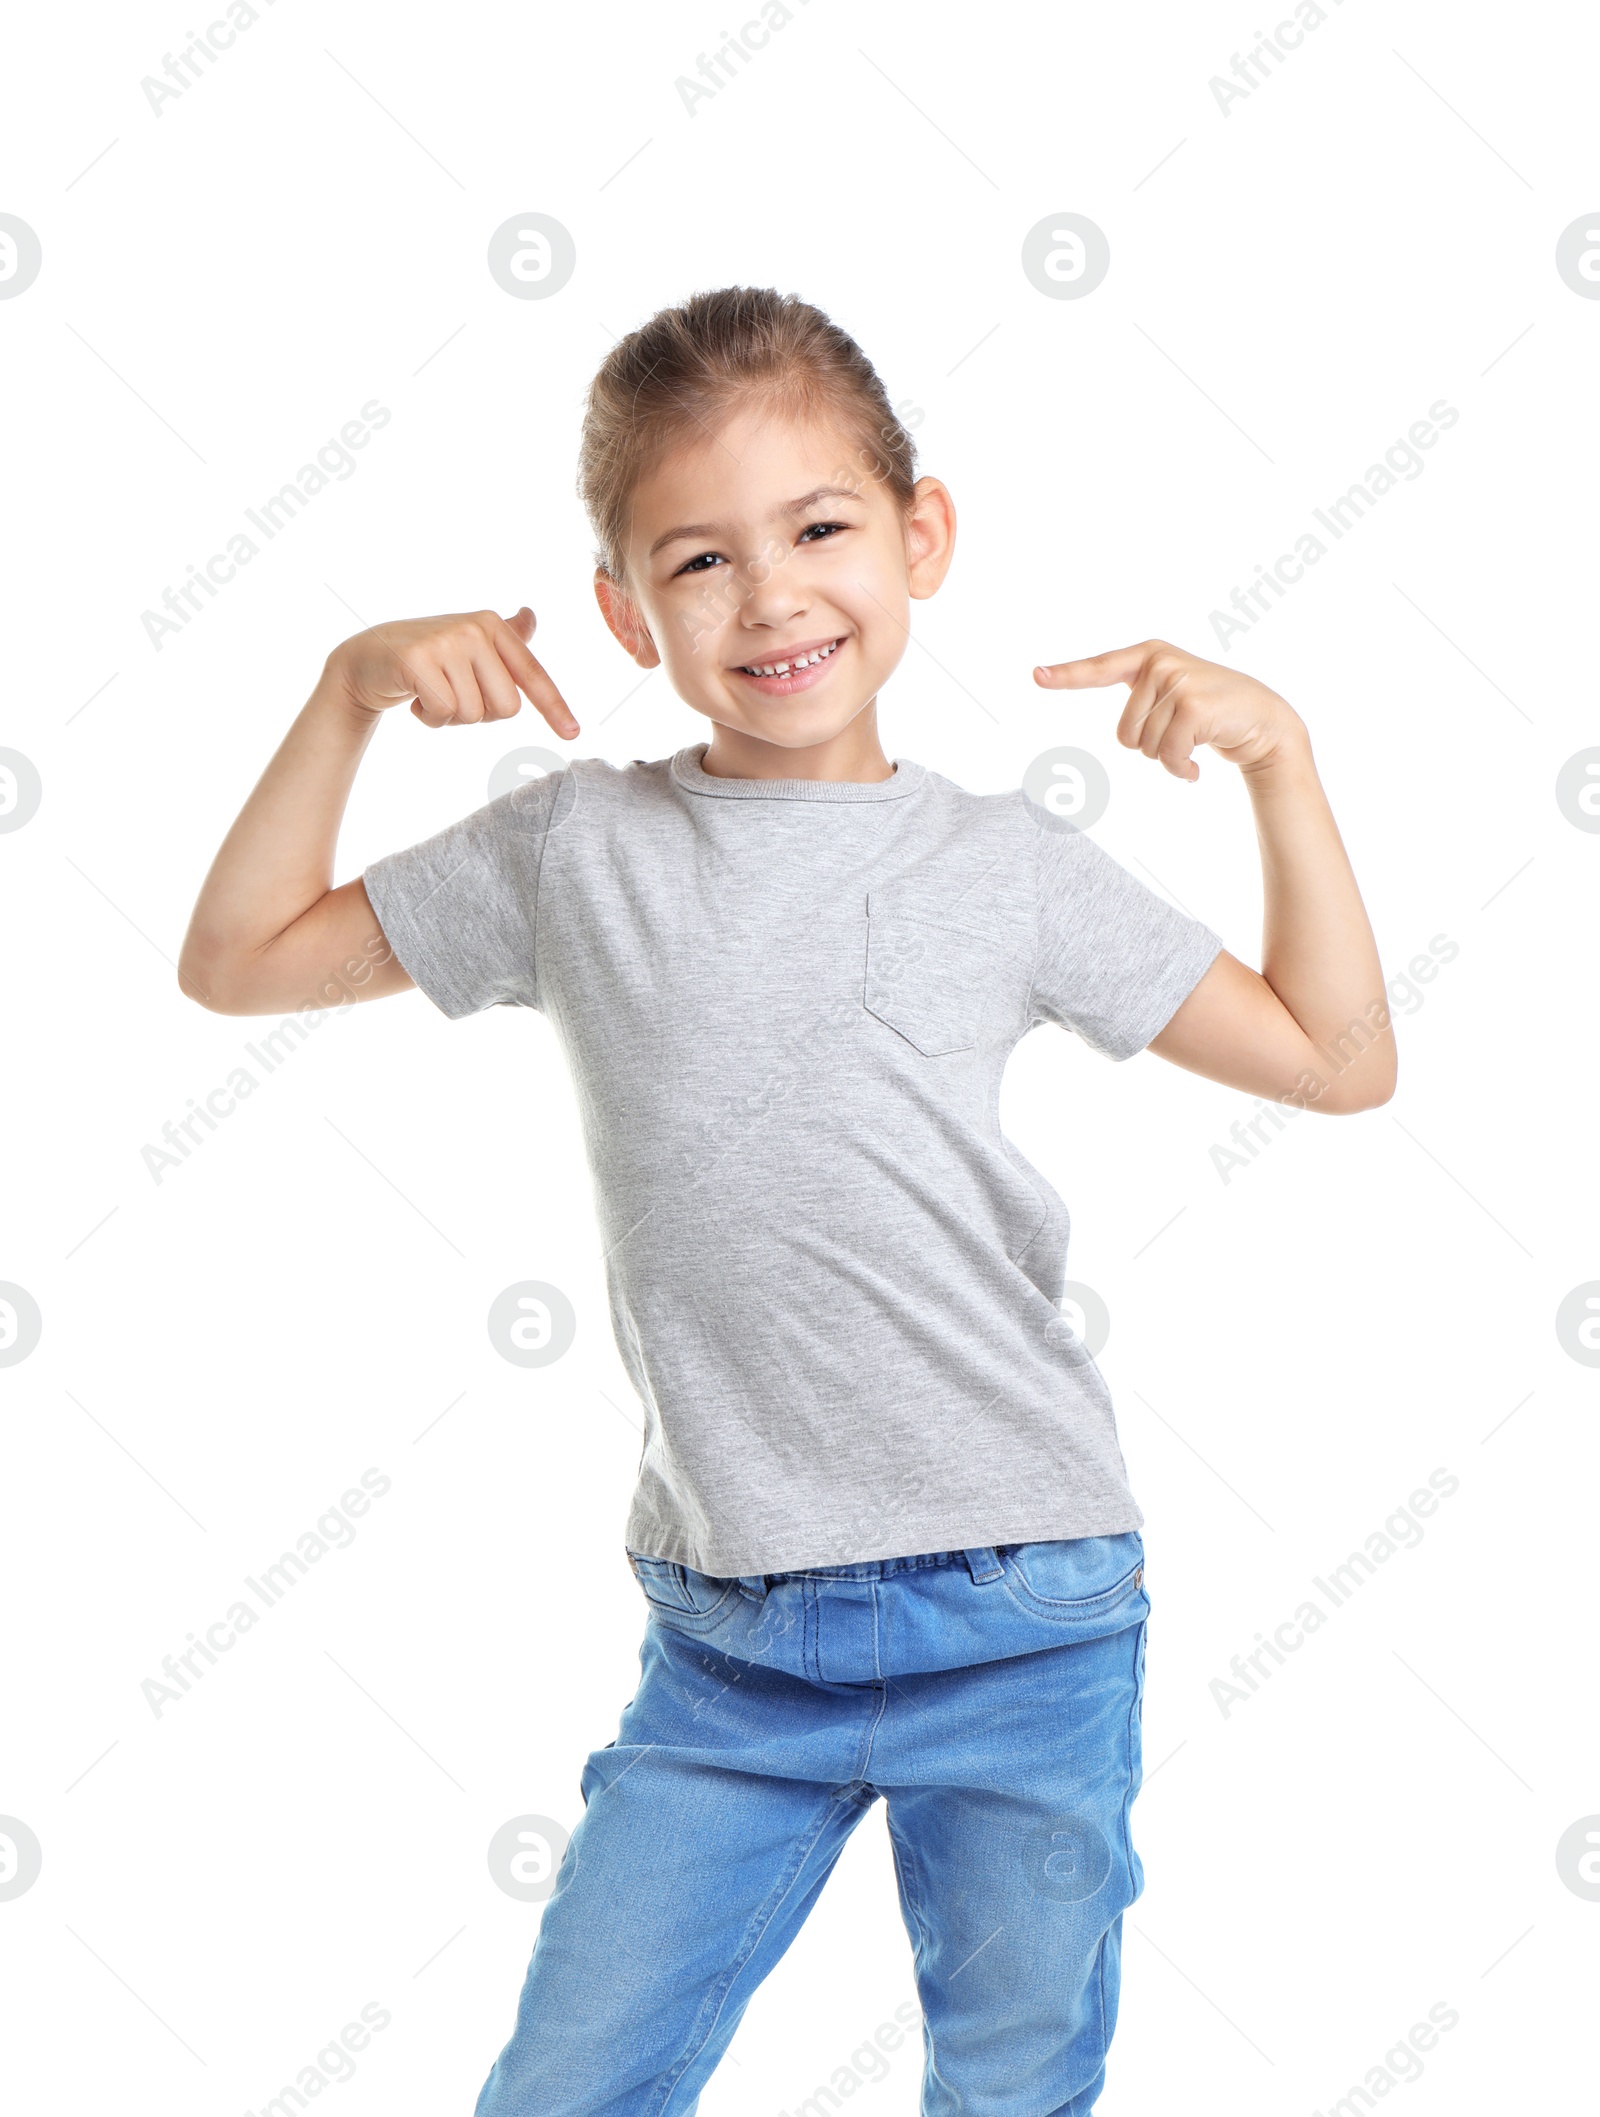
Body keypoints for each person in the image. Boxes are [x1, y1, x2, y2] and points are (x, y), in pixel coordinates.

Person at [179, 286, 1395, 2116]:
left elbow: (1333, 1056)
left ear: (921, 536)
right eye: (700, 559)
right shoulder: (572, 848)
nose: (772, 597)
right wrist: (347, 691)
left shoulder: (1008, 865)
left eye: (820, 529)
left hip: (1030, 1604)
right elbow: (239, 961)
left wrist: (1283, 762)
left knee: (1010, 2079)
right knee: (572, 2076)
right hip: (731, 1643)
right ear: (623, 611)